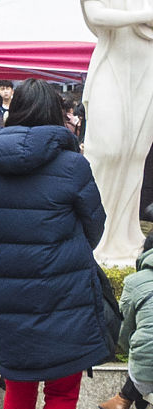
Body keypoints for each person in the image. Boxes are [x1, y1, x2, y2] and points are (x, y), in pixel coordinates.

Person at [0, 78, 110, 409]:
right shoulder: (73, 165)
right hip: (62, 291)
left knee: (18, 384)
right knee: (63, 390)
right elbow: (95, 225)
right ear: (55, 112)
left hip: (6, 290)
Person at [81, 0, 153, 263]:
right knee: (106, 150)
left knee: (135, 154)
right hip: (111, 62)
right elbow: (96, 15)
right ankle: (95, 231)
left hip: (146, 66)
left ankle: (124, 233)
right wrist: (144, 15)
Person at [99, 232, 153, 409]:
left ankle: (125, 398)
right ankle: (125, 399)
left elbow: (123, 332)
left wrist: (135, 352)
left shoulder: (135, 282)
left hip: (145, 374)